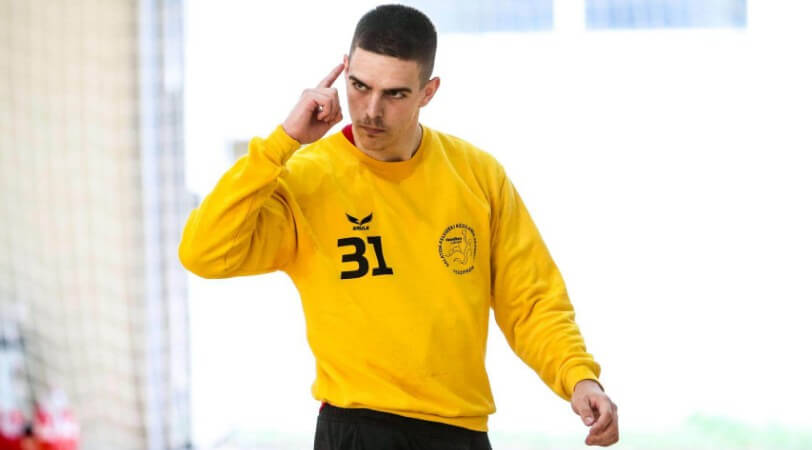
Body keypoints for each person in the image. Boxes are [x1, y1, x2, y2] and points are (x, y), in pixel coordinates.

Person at [178, 4, 619, 449]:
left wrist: (578, 376)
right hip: (357, 429)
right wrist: (282, 142)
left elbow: (531, 300)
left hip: (461, 431)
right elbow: (203, 253)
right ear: (344, 70)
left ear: (428, 92)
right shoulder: (306, 178)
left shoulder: (478, 176)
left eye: (394, 94)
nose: (371, 110)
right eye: (359, 86)